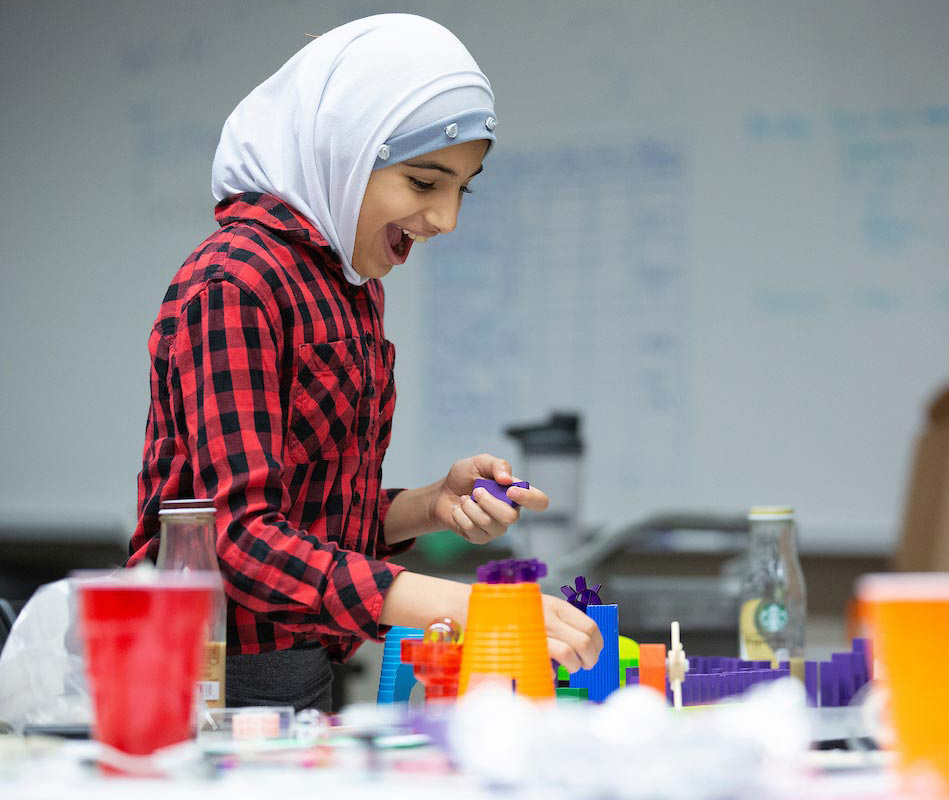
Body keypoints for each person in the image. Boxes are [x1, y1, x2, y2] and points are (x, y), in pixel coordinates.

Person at [127, 14, 602, 712]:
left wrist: (425, 507)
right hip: (208, 674)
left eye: (461, 189)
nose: (446, 220)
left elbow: (307, 520)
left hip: (299, 667)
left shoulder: (350, 288)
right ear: (341, 152)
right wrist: (466, 606)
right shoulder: (237, 280)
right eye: (423, 182)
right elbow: (239, 539)